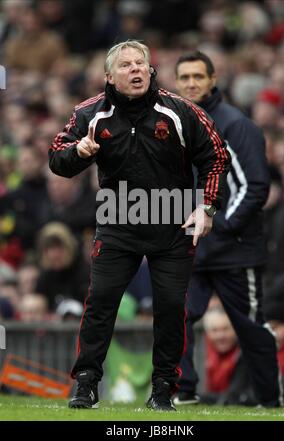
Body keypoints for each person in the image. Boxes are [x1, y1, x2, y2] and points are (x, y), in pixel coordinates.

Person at [49, 40, 230, 410]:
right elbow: (56, 157)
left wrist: (207, 206)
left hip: (172, 222)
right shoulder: (89, 114)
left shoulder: (180, 112)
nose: (135, 70)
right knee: (100, 303)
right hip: (118, 218)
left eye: (141, 64)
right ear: (109, 76)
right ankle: (86, 383)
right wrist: (76, 153)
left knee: (169, 308)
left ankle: (163, 388)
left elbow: (215, 155)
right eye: (126, 65)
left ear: (150, 70)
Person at [173, 51, 282, 407]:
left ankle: (270, 400)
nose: (191, 83)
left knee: (250, 328)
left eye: (198, 77)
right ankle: (185, 390)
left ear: (213, 79)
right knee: (176, 313)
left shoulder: (237, 125)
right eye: (184, 77)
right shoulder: (175, 125)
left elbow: (255, 187)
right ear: (176, 82)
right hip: (192, 247)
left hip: (234, 247)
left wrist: (219, 226)